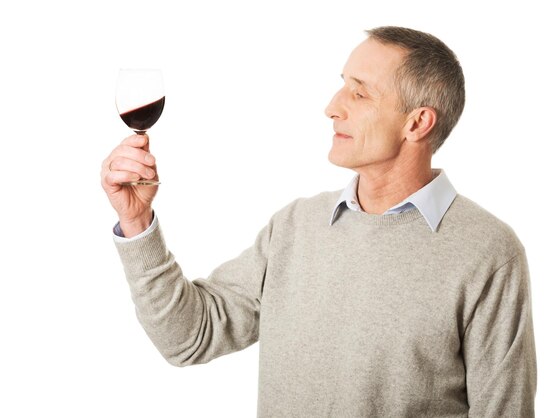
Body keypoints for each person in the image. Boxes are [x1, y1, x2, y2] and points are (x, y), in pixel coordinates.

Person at [102, 26, 537, 417]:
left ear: (418, 122)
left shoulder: (487, 251)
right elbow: (189, 337)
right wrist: (137, 222)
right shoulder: (295, 226)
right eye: (341, 86)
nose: (332, 107)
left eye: (360, 93)